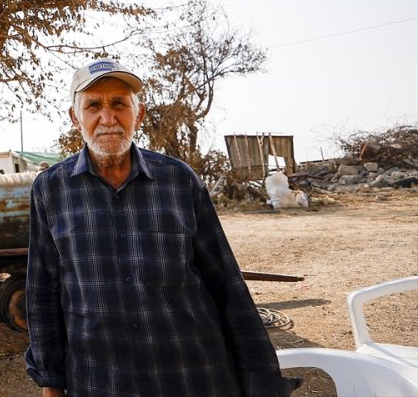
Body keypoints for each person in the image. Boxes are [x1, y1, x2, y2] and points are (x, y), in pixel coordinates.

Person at [24, 58, 293, 396]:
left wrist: (261, 380)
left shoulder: (179, 179)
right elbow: (41, 292)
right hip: (99, 381)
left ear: (139, 114)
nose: (107, 118)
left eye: (119, 104)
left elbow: (226, 284)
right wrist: (51, 381)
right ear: (75, 118)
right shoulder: (50, 189)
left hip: (192, 375)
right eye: (93, 105)